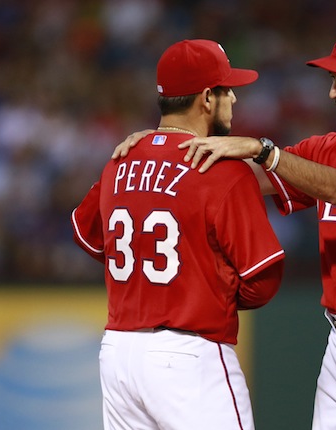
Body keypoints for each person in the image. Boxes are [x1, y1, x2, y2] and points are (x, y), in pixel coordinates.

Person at [112, 26, 336, 430]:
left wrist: (263, 150)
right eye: (333, 80)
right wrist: (162, 146)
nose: (334, 92)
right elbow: (230, 179)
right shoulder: (329, 148)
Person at [71, 39, 285, 430]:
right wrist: (205, 287)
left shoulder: (122, 157)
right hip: (189, 354)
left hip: (119, 350)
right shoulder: (222, 168)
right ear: (206, 98)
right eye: (227, 90)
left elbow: (87, 234)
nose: (234, 99)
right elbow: (263, 279)